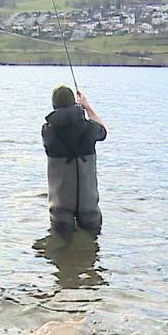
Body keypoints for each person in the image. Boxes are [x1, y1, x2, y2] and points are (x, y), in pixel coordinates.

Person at [42, 85, 107, 235]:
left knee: (58, 253)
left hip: (60, 210)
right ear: (74, 103)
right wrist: (86, 107)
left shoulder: (48, 132)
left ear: (54, 106)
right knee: (92, 250)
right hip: (89, 209)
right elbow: (103, 131)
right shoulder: (90, 129)